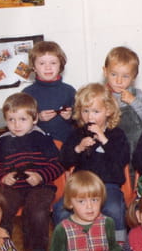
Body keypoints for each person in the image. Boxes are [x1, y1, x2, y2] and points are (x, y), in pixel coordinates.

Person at [0, 93, 63, 251]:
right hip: (13, 188)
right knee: (1, 209)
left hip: (41, 187)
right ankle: (2, 250)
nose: (17, 125)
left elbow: (58, 165)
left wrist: (41, 176)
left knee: (37, 211)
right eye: (11, 120)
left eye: (22, 119)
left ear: (34, 119)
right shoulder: (3, 141)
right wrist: (2, 178)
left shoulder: (42, 138)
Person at [55, 83, 130, 241]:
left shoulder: (117, 134)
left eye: (96, 111)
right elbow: (64, 160)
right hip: (81, 186)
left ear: (108, 111)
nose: (90, 117)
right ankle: (66, 245)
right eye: (85, 111)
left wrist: (104, 139)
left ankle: (119, 245)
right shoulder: (77, 134)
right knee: (61, 210)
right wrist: (78, 148)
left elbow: (122, 160)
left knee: (114, 209)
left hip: (108, 184)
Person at [103, 46, 142, 157]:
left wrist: (133, 101)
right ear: (105, 72)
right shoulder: (100, 95)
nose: (119, 81)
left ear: (134, 77)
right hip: (111, 149)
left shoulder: (137, 94)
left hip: (136, 148)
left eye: (125, 76)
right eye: (114, 74)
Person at [23, 40, 76, 142]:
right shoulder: (27, 94)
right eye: (42, 63)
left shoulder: (69, 91)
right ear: (34, 67)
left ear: (60, 65)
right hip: (38, 144)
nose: (48, 67)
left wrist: (71, 116)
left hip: (66, 143)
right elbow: (21, 122)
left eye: (53, 63)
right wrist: (38, 118)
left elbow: (82, 118)